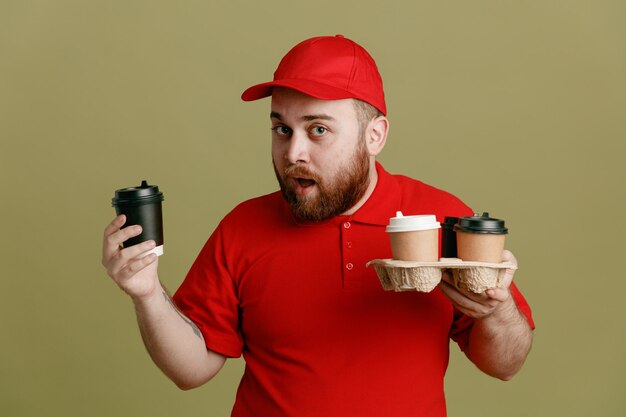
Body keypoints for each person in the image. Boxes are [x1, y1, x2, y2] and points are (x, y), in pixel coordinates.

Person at [102, 35, 534, 417]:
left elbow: (505, 364)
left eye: (319, 130)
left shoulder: (441, 218)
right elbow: (191, 370)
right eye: (282, 129)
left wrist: (499, 311)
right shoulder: (242, 227)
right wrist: (147, 295)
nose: (293, 153)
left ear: (375, 136)